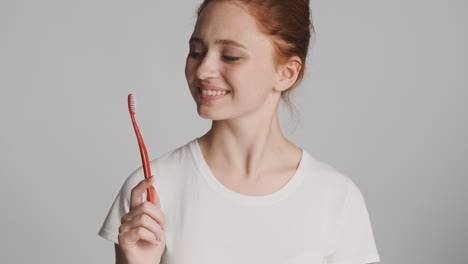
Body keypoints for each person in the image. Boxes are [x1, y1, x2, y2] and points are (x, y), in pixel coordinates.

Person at [98, 1, 382, 263]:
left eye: (230, 56)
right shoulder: (151, 194)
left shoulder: (336, 198)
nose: (202, 70)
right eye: (196, 51)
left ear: (286, 73)